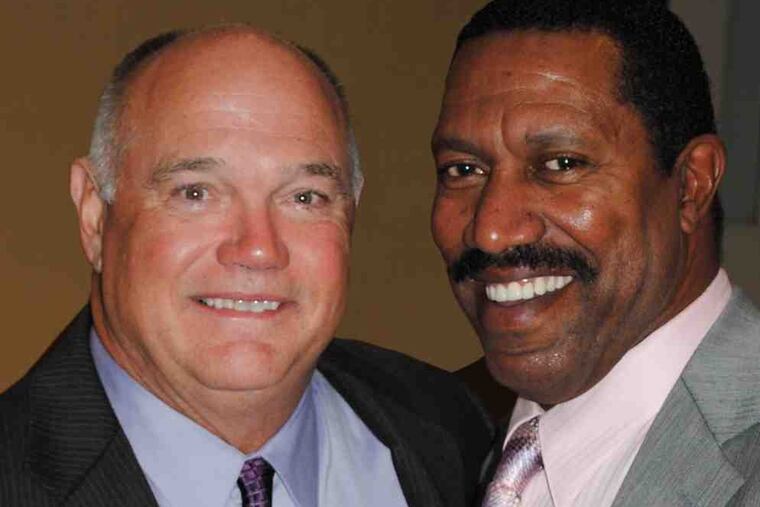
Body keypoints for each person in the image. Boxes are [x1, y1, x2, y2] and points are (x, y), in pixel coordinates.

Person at [0, 25, 492, 507]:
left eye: (305, 197)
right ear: (93, 214)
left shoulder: (453, 428)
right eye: (195, 193)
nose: (258, 248)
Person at [431, 0, 760, 505]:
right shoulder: (423, 436)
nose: (492, 232)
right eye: (463, 170)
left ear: (691, 185)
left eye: (561, 164)